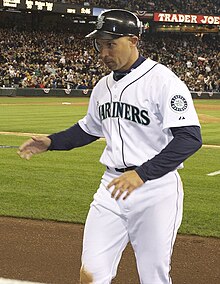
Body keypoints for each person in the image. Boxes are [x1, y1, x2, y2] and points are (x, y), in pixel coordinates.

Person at [18, 9, 202, 284]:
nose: (103, 52)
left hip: (155, 189)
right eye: (99, 44)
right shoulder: (102, 87)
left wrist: (142, 173)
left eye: (110, 44)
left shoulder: (163, 81)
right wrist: (51, 142)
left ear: (134, 40)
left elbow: (189, 137)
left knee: (154, 275)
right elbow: (88, 129)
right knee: (91, 272)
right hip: (111, 187)